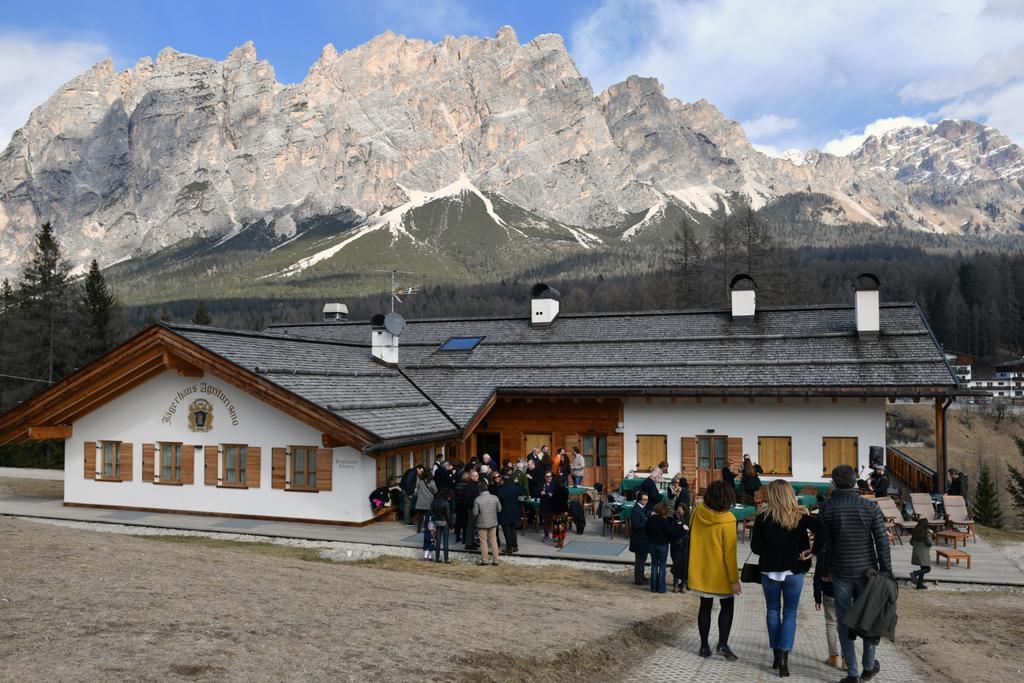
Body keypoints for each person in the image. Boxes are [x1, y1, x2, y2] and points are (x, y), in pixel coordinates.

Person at [819, 464, 892, 683]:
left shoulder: (827, 508)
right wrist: (886, 570)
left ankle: (852, 672)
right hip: (867, 571)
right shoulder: (869, 507)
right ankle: (868, 666)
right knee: (867, 617)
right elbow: (882, 541)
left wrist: (823, 570)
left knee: (844, 621)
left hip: (840, 571)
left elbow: (823, 544)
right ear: (855, 482)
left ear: (834, 483)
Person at [751, 479, 828, 678]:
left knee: (773, 611)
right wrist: (813, 551)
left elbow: (755, 548)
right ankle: (785, 657)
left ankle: (776, 654)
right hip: (794, 570)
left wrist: (772, 548)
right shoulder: (801, 515)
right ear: (789, 494)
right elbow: (823, 531)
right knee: (790, 613)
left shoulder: (762, 518)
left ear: (772, 495)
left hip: (770, 571)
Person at [688, 479, 740, 661]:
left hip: (700, 570)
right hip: (721, 574)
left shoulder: (696, 513)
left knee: (705, 607)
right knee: (727, 607)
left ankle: (703, 646)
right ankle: (722, 644)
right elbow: (730, 553)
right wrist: (734, 579)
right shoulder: (729, 520)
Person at [813, 554, 841, 669]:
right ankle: (847, 660)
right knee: (845, 626)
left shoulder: (823, 552)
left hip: (829, 593)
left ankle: (833, 657)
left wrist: (817, 598)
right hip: (846, 594)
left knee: (831, 624)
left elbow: (817, 577)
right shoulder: (845, 548)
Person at [473, 480, 502, 566]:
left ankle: (485, 560)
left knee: (483, 541)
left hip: (482, 523)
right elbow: (499, 509)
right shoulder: (495, 497)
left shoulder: (478, 499)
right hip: (493, 522)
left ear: (480, 490)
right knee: (493, 541)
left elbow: (475, 513)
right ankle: (496, 560)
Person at [646, 501, 672, 593]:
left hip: (652, 544)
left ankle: (653, 587)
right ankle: (661, 588)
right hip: (662, 545)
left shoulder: (650, 519)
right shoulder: (664, 521)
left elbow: (646, 531)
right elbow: (670, 532)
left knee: (654, 565)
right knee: (662, 566)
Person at [496, 474, 524, 555]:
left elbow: (499, 502)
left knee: (507, 531)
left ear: (503, 481)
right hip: (515, 513)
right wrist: (517, 483)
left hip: (505, 513)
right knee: (513, 530)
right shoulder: (515, 488)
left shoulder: (500, 490)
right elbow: (521, 491)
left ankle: (509, 548)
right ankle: (515, 546)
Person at [630, 492, 651, 586]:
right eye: (644, 499)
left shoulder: (642, 508)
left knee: (643, 559)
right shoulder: (635, 510)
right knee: (639, 560)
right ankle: (638, 579)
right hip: (639, 540)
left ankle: (641, 576)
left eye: (647, 499)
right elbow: (636, 526)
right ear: (639, 500)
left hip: (643, 539)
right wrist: (646, 522)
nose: (646, 501)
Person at [670, 501, 690, 592]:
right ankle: (675, 585)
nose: (678, 511)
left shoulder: (687, 520)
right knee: (676, 564)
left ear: (684, 511)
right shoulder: (674, 519)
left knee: (684, 565)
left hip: (684, 546)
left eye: (680, 510)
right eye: (678, 510)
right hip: (676, 545)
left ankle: (683, 584)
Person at [430, 488, 453, 563]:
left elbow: (431, 512)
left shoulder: (434, 502)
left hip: (437, 522)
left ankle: (437, 558)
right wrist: (451, 526)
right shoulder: (446, 503)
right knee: (445, 541)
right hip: (445, 523)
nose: (450, 498)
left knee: (438, 541)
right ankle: (446, 559)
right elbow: (448, 516)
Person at [909, 518, 933, 589]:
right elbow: (930, 543)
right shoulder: (927, 532)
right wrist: (932, 535)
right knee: (927, 569)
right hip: (923, 554)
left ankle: (919, 585)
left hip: (916, 553)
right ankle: (914, 573)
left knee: (923, 568)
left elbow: (911, 542)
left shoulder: (915, 531)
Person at [463, 469, 482, 550]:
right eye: (476, 475)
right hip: (472, 508)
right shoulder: (469, 486)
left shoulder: (475, 484)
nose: (478, 477)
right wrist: (473, 507)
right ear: (471, 477)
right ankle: (468, 543)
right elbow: (468, 499)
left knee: (474, 526)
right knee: (471, 525)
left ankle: (473, 541)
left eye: (478, 475)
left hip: (475, 508)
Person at [551, 477, 571, 548]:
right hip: (564, 510)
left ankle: (560, 542)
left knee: (558, 527)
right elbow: (566, 499)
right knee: (563, 527)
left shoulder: (555, 491)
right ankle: (561, 541)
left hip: (557, 511)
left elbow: (552, 501)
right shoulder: (566, 490)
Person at [539, 471, 556, 541]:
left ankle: (555, 536)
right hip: (545, 506)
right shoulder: (542, 484)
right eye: (547, 476)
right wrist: (540, 493)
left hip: (553, 506)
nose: (549, 478)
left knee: (554, 521)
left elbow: (556, 493)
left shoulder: (554, 484)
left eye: (550, 476)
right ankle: (546, 536)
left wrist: (550, 494)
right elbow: (539, 492)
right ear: (545, 477)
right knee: (546, 521)